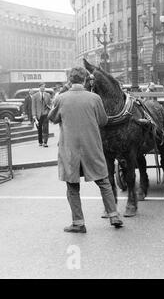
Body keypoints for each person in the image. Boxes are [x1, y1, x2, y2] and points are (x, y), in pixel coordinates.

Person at [48, 67, 124, 234]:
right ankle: (114, 215)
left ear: (70, 80)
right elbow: (103, 121)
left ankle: (78, 223)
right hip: (92, 147)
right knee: (104, 182)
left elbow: (52, 118)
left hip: (70, 150)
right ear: (84, 80)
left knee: (73, 186)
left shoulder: (61, 98)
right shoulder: (95, 98)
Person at [31, 83, 52, 147]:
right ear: (39, 87)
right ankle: (40, 141)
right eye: (42, 86)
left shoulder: (47, 95)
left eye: (44, 87)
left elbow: (50, 104)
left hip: (45, 114)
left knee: (46, 128)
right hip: (38, 115)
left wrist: (49, 110)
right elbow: (33, 106)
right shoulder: (35, 96)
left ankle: (45, 142)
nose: (43, 88)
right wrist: (34, 115)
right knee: (39, 129)